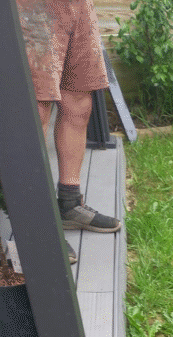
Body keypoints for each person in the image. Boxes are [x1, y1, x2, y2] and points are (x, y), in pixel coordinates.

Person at [16, 0, 121, 264]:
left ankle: (69, 202)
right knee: (36, 107)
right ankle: (34, 221)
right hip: (30, 7)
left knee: (78, 101)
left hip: (77, 6)